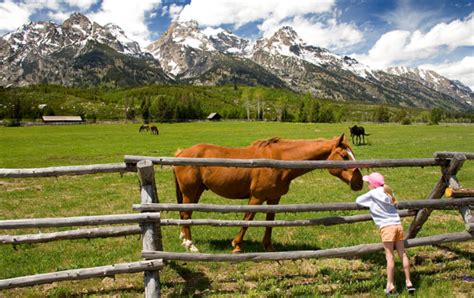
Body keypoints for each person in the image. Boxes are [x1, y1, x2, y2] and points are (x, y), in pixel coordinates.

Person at [355, 172, 415, 295]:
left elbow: (358, 200)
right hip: (398, 225)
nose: (367, 185)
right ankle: (409, 282)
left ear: (372, 184)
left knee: (390, 257)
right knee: (402, 254)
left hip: (387, 227)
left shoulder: (372, 193)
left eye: (368, 183)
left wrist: (371, 203)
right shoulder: (388, 191)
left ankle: (390, 285)